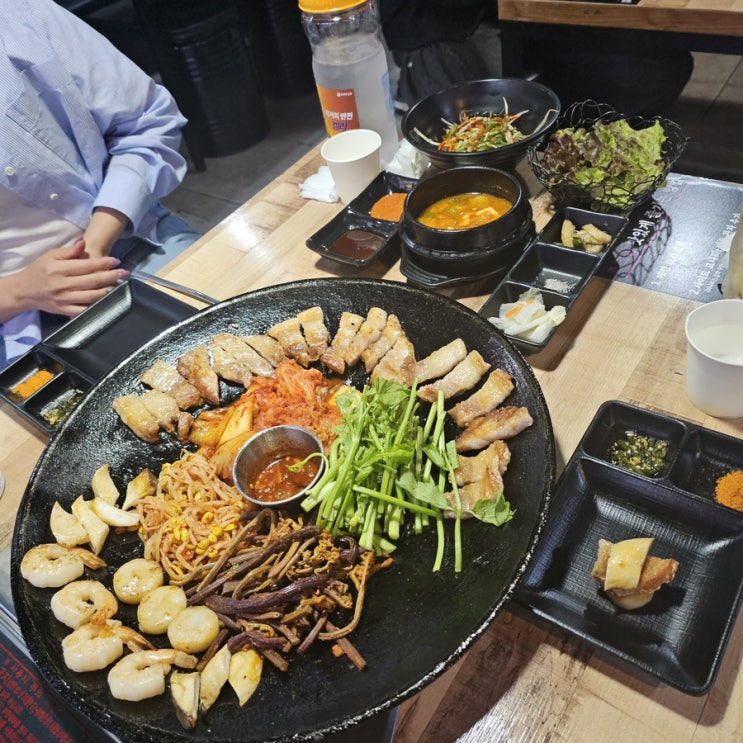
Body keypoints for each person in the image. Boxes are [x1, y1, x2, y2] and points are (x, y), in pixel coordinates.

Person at [0, 0, 200, 369]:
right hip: (13, 320)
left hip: (128, 242)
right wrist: (19, 291)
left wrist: (94, 245)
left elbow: (147, 121)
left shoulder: (19, 14)